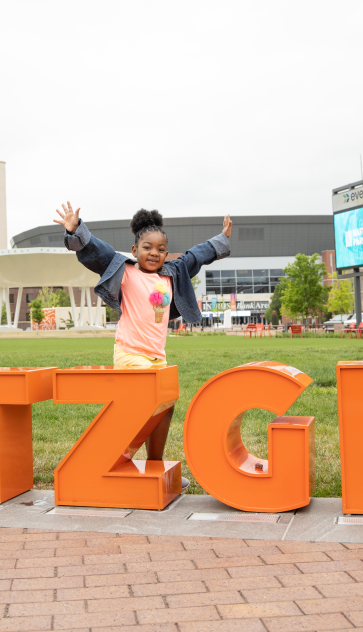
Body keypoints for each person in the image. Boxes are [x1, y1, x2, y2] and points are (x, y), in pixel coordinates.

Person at [55, 203, 231, 486]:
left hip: (155, 356)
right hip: (129, 353)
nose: (154, 253)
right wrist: (76, 230)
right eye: (147, 247)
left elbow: (196, 256)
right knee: (151, 397)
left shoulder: (172, 273)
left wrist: (220, 239)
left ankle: (155, 466)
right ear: (135, 251)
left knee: (166, 403)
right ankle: (107, 459)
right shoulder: (124, 271)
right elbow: (98, 252)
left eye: (160, 249)